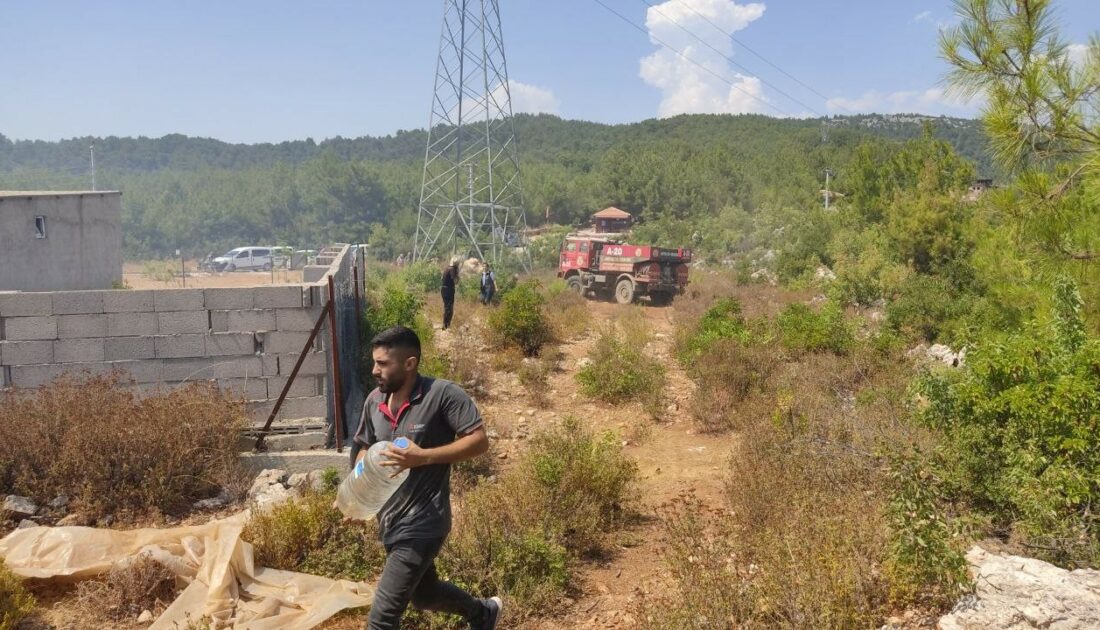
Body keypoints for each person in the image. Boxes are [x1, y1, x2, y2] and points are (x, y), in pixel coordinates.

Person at [349, 326, 502, 629]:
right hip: (390, 522)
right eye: (374, 362)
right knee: (425, 595)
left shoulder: (442, 394)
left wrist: (424, 457)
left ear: (410, 363)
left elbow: (479, 441)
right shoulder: (374, 401)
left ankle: (483, 614)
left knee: (382, 619)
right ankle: (483, 614)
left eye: (383, 364)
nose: (374, 370)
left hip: (424, 523)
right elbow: (365, 446)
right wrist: (358, 496)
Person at [440, 258, 459, 330]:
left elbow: (442, 278)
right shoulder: (452, 269)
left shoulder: (446, 268)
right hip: (449, 290)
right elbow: (455, 281)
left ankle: (445, 324)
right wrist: (458, 276)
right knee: (449, 308)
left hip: (443, 289)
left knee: (446, 307)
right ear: (456, 264)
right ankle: (446, 325)